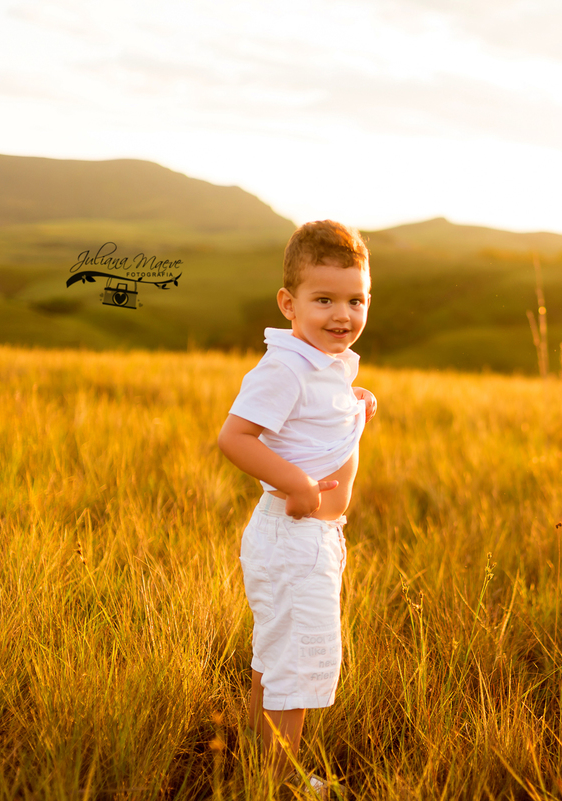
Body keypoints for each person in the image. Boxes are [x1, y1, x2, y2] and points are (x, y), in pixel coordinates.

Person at [218, 220, 376, 793]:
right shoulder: (283, 366)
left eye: (355, 300)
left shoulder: (326, 364)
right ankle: (280, 781)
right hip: (293, 534)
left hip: (313, 541)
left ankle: (260, 770)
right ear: (289, 303)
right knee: (298, 665)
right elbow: (235, 437)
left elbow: (314, 418)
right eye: (324, 300)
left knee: (279, 655)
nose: (343, 314)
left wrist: (354, 405)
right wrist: (300, 486)